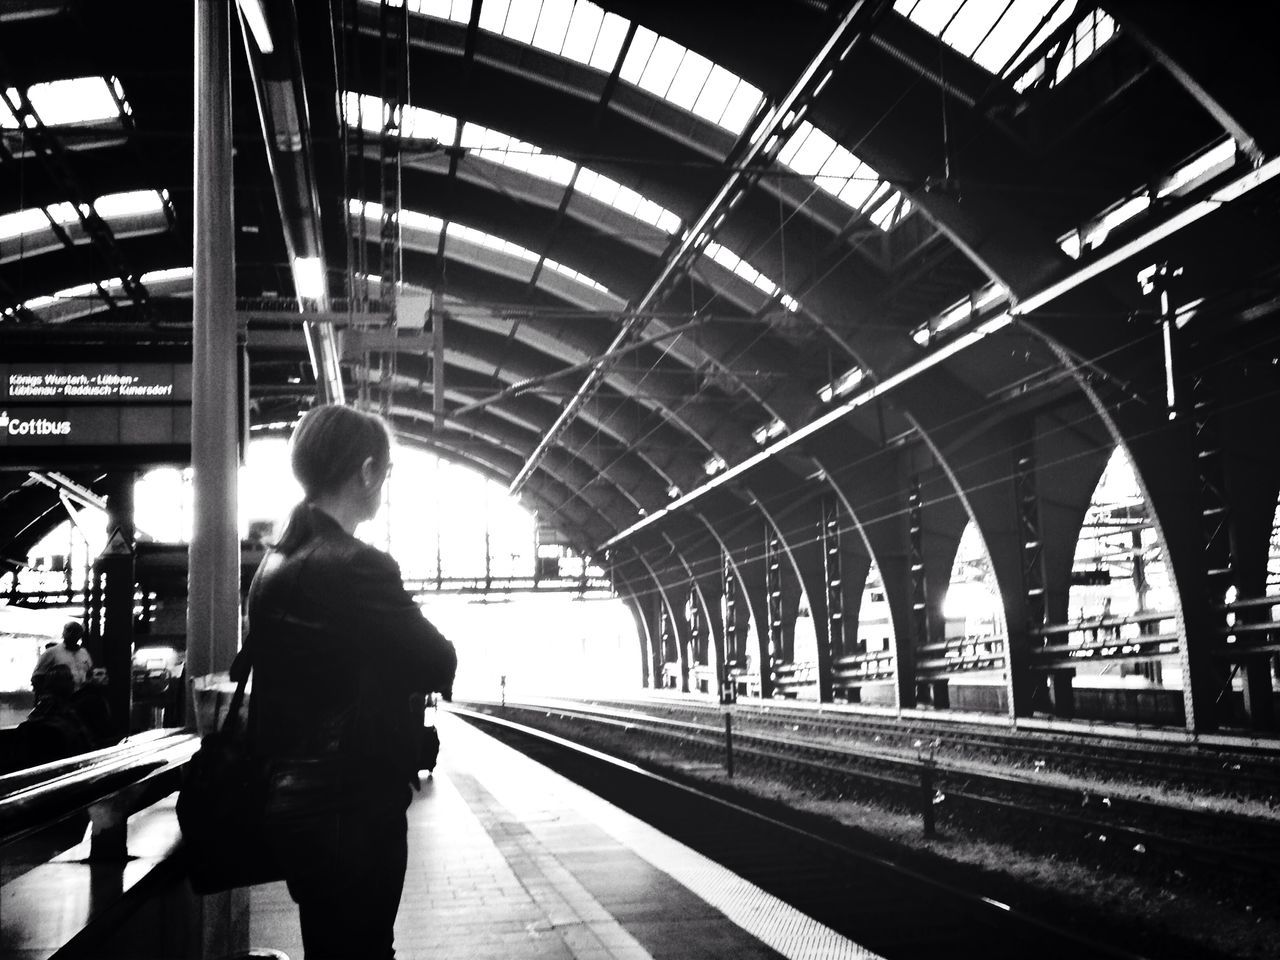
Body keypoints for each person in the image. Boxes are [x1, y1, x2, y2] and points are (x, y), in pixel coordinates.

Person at [246, 404, 456, 960]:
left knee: (331, 947)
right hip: (355, 808)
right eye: (384, 474)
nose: (383, 486)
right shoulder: (357, 565)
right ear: (365, 472)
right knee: (364, 949)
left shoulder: (275, 564)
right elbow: (438, 660)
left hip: (295, 805)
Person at [31, 621, 93, 695]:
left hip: (82, 697)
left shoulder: (84, 653)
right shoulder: (52, 652)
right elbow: (37, 677)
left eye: (76, 632)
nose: (72, 634)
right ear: (63, 633)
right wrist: (47, 695)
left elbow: (90, 672)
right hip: (60, 699)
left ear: (80, 635)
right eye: (69, 631)